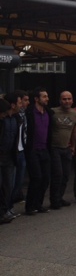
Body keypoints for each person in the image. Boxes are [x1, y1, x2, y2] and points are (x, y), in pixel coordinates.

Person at [49, 91, 76, 209]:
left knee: (66, 175)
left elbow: (74, 132)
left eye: (69, 99)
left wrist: (73, 146)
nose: (67, 101)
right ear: (60, 100)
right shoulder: (52, 112)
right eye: (64, 99)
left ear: (72, 100)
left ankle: (59, 197)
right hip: (54, 148)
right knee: (58, 174)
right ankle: (54, 200)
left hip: (67, 148)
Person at [24, 87, 54, 215]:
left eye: (47, 96)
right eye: (44, 96)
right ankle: (30, 206)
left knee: (46, 178)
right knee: (36, 177)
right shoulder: (29, 113)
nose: (47, 99)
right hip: (33, 150)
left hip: (45, 149)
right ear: (36, 99)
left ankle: (38, 204)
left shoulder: (49, 112)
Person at [0, 94, 21, 223]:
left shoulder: (16, 118)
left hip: (9, 156)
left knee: (8, 185)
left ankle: (5, 210)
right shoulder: (3, 120)